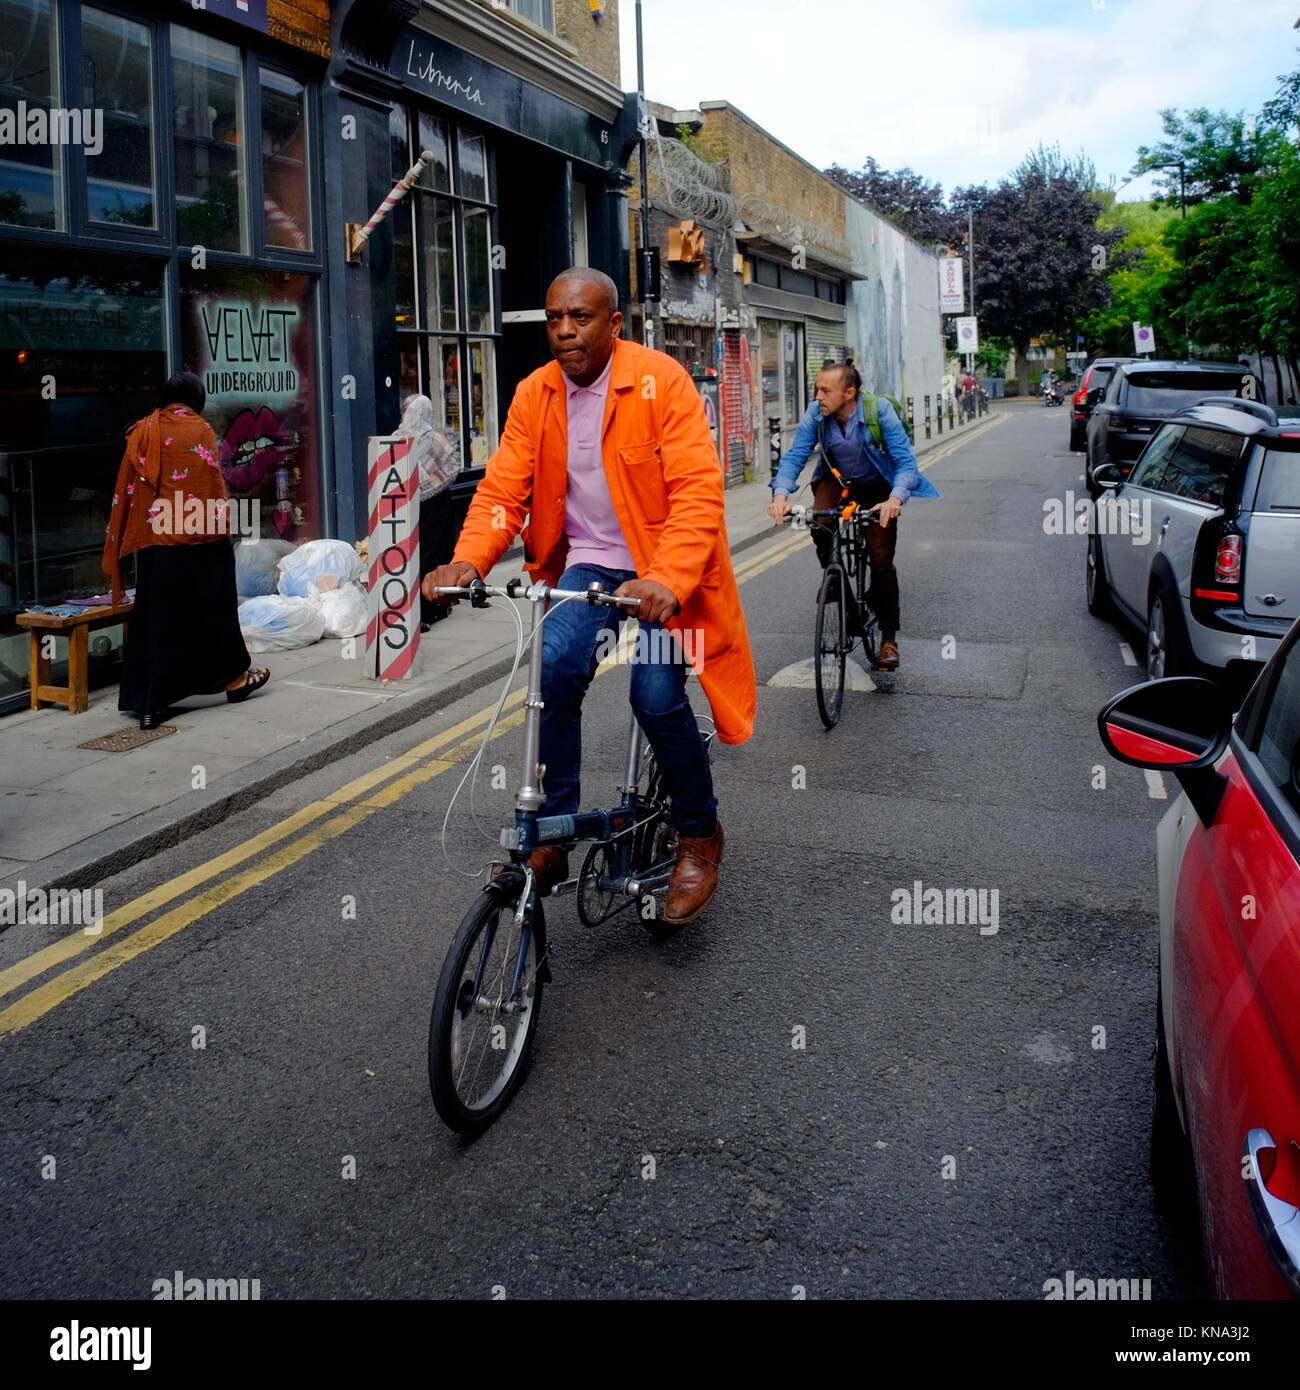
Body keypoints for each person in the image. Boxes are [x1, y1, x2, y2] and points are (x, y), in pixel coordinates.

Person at [422, 267, 756, 924]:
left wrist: (666, 578)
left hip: (666, 571)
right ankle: (555, 834)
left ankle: (699, 832)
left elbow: (696, 492)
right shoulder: (533, 394)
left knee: (655, 697)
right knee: (553, 668)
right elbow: (502, 491)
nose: (565, 330)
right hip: (594, 566)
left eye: (580, 317)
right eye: (554, 318)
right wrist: (467, 559)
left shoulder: (663, 382)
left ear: (614, 324)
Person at [102, 371, 269, 730]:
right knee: (214, 607)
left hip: (156, 544)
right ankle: (233, 679)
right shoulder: (199, 429)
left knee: (155, 619)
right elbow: (209, 488)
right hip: (198, 539)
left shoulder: (143, 430)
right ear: (195, 397)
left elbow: (130, 490)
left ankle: (149, 703)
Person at [766, 363, 939, 670]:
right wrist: (780, 494)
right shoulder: (817, 414)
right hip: (837, 481)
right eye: (816, 389)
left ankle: (888, 640)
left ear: (849, 393)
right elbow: (796, 455)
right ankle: (835, 580)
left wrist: (894, 499)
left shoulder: (879, 411)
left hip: (876, 485)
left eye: (825, 390)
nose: (818, 396)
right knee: (819, 521)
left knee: (882, 561)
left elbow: (905, 462)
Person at [396, 393, 462, 630]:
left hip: (406, 506)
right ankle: (432, 607)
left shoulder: (396, 439)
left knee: (415, 554)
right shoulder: (435, 439)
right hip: (436, 505)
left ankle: (415, 607)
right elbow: (452, 468)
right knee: (434, 554)